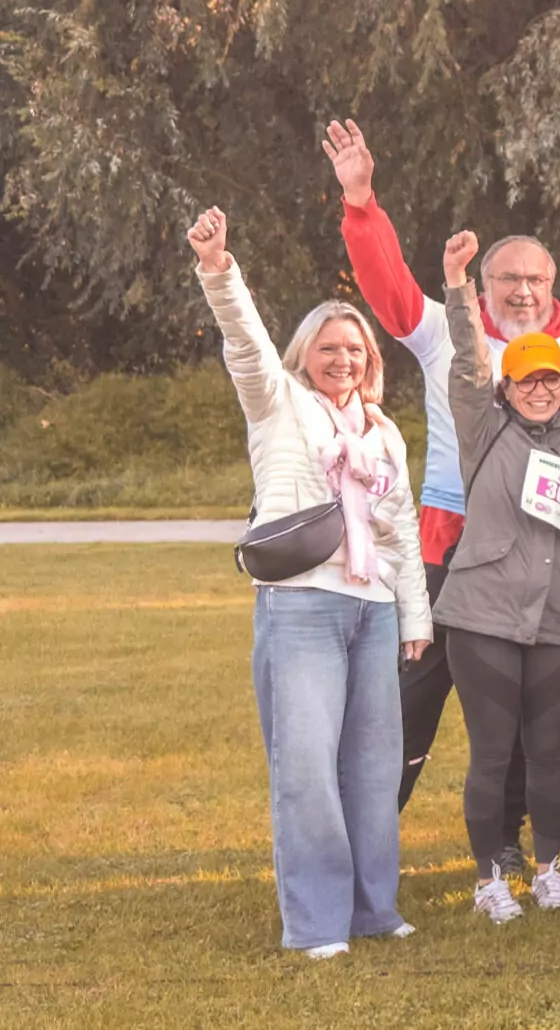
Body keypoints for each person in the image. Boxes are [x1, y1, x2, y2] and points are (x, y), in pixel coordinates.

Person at [324, 119, 560, 848]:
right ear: (485, 283)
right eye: (507, 278)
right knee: (406, 700)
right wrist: (362, 203)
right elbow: (388, 289)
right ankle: (362, 838)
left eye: (535, 279)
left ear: (552, 286)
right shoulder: (449, 329)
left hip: (537, 556)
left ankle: (505, 840)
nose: (522, 290)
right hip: (446, 548)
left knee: (519, 710)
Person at [191, 207, 431, 959]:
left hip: (373, 609)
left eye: (354, 348)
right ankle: (318, 922)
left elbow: (402, 527)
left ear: (370, 359)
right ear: (305, 355)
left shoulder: (383, 432)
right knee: (305, 767)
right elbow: (245, 342)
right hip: (300, 603)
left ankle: (373, 908)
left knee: (373, 767)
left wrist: (415, 617)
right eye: (328, 348)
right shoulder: (278, 402)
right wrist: (219, 270)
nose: (343, 359)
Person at [435, 229, 560, 921]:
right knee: (492, 754)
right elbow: (468, 360)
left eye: (549, 379)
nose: (538, 388)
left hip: (559, 617)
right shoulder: (484, 427)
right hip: (484, 614)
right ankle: (488, 881)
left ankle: (549, 872)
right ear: (507, 385)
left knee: (548, 753)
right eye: (526, 378)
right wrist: (459, 288)